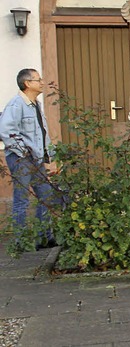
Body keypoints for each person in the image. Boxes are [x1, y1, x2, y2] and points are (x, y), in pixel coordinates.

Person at [0, 68, 56, 248]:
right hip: (21, 159)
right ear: (27, 84)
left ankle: (44, 238)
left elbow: (42, 133)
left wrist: (51, 155)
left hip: (37, 158)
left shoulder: (36, 105)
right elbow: (6, 131)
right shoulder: (16, 105)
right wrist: (23, 153)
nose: (42, 82)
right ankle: (20, 241)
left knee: (46, 196)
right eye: (38, 79)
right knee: (22, 199)